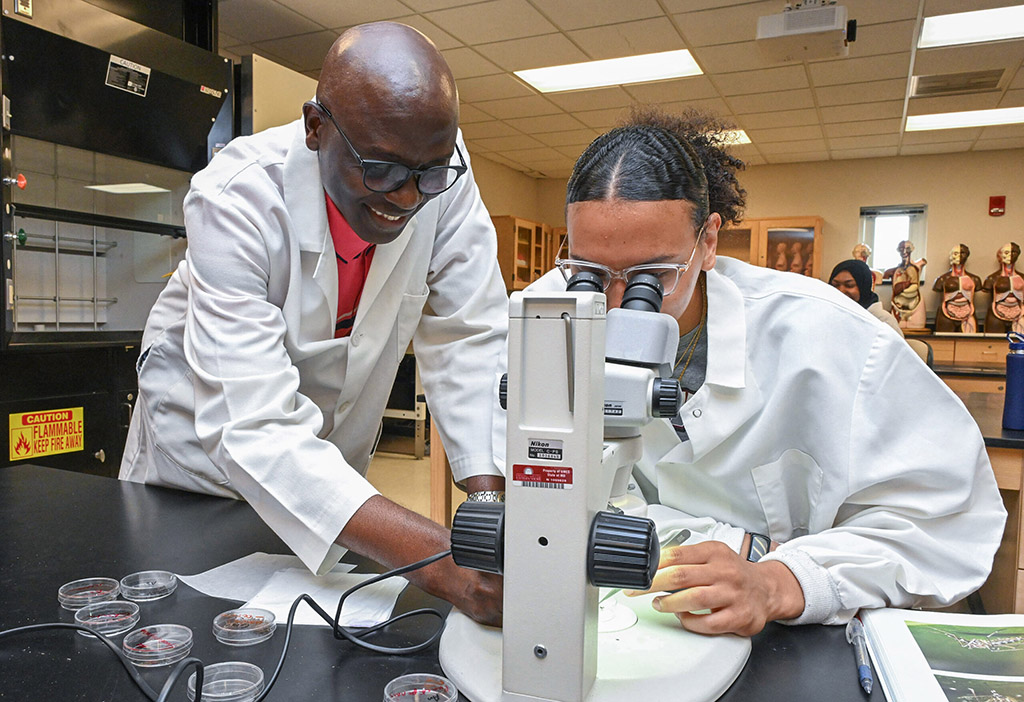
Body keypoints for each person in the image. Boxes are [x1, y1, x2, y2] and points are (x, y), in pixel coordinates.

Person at [515, 108, 1005, 637]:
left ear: (707, 242)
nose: (614, 307)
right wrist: (737, 543)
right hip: (629, 613)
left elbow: (945, 520)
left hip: (795, 634)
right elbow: (548, 490)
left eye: (650, 277)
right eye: (590, 274)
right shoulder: (544, 314)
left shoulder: (828, 334)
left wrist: (779, 578)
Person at [119, 22, 507, 625]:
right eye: (379, 170)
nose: (407, 198)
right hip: (199, 477)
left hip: (329, 489)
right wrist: (438, 560)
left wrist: (490, 513)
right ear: (315, 127)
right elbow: (256, 425)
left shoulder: (443, 180)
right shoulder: (236, 198)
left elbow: (471, 335)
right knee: (191, 635)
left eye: (428, 175)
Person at [829, 259, 904, 337]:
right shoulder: (830, 316)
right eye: (835, 285)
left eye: (849, 285)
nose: (841, 291)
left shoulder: (883, 320)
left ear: (863, 287)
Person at [933, 244, 981, 333]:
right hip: (946, 313)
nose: (959, 256)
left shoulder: (975, 279)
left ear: (967, 256)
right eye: (956, 253)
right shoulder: (942, 279)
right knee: (944, 344)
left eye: (962, 253)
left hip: (968, 314)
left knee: (970, 344)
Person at [883, 240, 927, 329]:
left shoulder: (916, 267)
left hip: (914, 304)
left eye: (907, 249)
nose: (904, 252)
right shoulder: (895, 270)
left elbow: (914, 285)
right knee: (898, 329)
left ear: (911, 250)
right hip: (898, 306)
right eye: (902, 249)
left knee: (916, 327)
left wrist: (903, 289)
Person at [982, 242, 1024, 334]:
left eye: (1013, 252)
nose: (1010, 256)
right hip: (996, 313)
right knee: (993, 344)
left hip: (1019, 313)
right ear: (999, 256)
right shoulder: (992, 278)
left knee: (1020, 343)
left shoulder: (1022, 278)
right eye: (1006, 253)